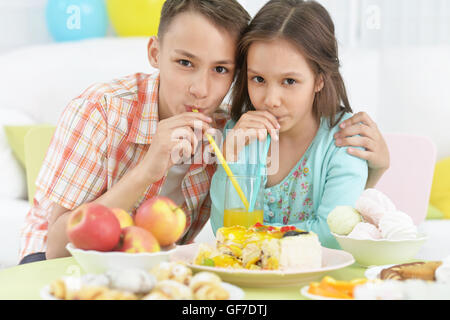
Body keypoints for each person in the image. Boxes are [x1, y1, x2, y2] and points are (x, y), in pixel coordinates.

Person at [19, 0, 388, 264]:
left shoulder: (228, 128)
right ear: (154, 52)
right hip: (57, 263)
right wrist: (149, 167)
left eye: (220, 70)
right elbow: (55, 246)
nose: (200, 89)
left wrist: (377, 172)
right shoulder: (103, 111)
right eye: (184, 63)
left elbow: (328, 211)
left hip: (152, 267)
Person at [209, 0, 387, 249]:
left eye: (289, 81)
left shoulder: (344, 139)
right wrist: (227, 159)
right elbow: (223, 232)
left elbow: (331, 234)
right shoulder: (243, 134)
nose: (270, 100)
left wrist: (250, 237)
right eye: (258, 79)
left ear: (319, 80)